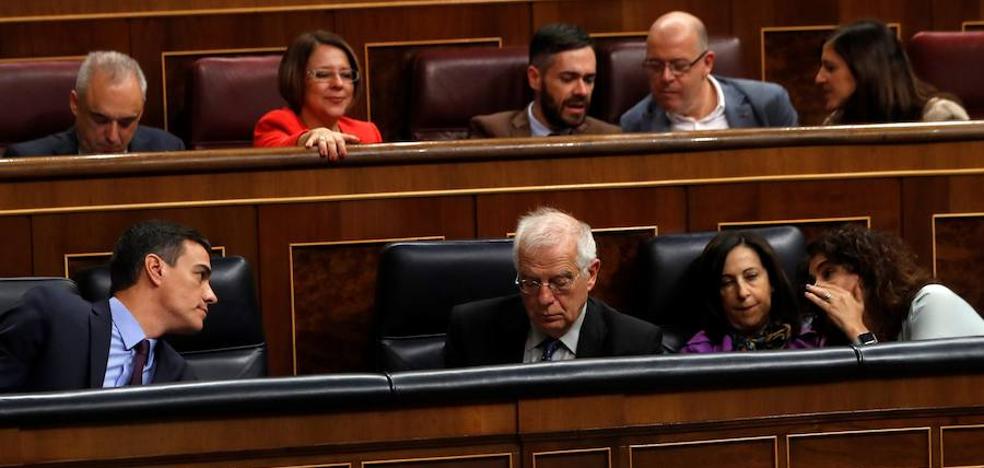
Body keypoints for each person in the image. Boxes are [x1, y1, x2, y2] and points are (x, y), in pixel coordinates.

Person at [0, 220, 217, 393]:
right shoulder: (54, 316)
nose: (211, 296)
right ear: (156, 269)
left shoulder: (180, 376)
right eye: (200, 275)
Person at [444, 207, 661, 367]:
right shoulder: (471, 331)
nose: (544, 298)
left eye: (559, 282)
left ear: (591, 274)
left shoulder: (635, 345)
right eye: (531, 283)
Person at [804, 224, 984, 345]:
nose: (816, 288)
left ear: (865, 271)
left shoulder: (932, 301)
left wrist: (857, 330)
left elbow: (920, 394)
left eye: (828, 273)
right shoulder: (877, 329)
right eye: (813, 281)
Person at [620, 11, 798, 133]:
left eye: (679, 66)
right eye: (655, 65)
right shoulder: (635, 124)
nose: (666, 77)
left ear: (707, 63)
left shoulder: (768, 104)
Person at [4, 51, 184, 157]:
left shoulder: (168, 149)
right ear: (75, 104)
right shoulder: (28, 160)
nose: (113, 137)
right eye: (100, 120)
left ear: (141, 111)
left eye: (125, 123)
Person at [469, 23, 621, 138]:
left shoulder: (609, 137)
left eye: (589, 80)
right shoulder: (492, 132)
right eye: (568, 79)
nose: (582, 91)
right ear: (535, 78)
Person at [681, 231, 823, 353]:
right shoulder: (697, 353)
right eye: (727, 283)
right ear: (716, 294)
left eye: (751, 276)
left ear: (772, 281)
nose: (742, 293)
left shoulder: (812, 342)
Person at [254, 30, 382, 161]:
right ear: (297, 78)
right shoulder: (275, 124)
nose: (338, 84)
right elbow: (275, 154)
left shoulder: (368, 132)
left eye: (346, 75)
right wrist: (309, 138)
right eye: (323, 74)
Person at [815, 20, 969, 125]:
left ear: (865, 70)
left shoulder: (942, 117)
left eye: (830, 68)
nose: (819, 78)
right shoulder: (836, 123)